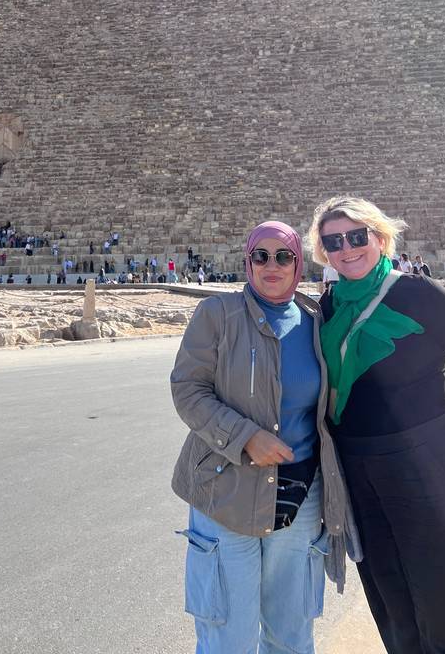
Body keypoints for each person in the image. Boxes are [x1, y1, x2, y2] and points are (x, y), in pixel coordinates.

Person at [308, 196, 445, 654]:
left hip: (434, 470)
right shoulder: (327, 308)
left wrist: (439, 432)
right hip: (360, 475)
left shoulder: (417, 294)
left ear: (379, 238)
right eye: (333, 241)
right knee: (393, 603)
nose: (346, 248)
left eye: (357, 237)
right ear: (322, 251)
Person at [171, 220, 359, 654]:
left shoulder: (316, 321)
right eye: (261, 256)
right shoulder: (217, 316)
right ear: (247, 261)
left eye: (283, 256)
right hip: (227, 494)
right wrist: (245, 436)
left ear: (298, 264)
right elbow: (187, 389)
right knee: (228, 639)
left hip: (300, 498)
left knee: (291, 635)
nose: (271, 266)